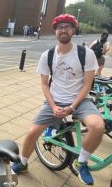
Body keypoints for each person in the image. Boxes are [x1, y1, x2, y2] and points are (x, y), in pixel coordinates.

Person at [11, 14, 104, 185]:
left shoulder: (86, 54)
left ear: (73, 30)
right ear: (55, 31)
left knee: (98, 126)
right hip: (55, 100)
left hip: (80, 100)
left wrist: (72, 106)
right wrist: (53, 106)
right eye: (60, 27)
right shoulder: (48, 55)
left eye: (67, 27)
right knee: (32, 132)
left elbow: (87, 84)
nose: (63, 30)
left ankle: (80, 162)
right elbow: (45, 84)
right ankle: (23, 163)